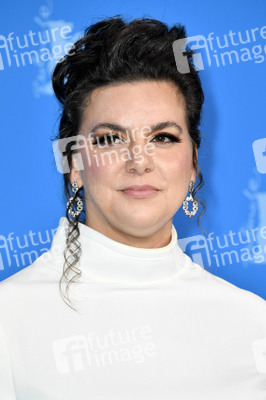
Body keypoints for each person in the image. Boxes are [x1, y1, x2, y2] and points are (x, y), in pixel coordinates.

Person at [0, 15, 266, 400]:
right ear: (74, 164)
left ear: (192, 163)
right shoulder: (10, 319)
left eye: (163, 137)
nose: (139, 161)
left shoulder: (252, 322)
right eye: (110, 138)